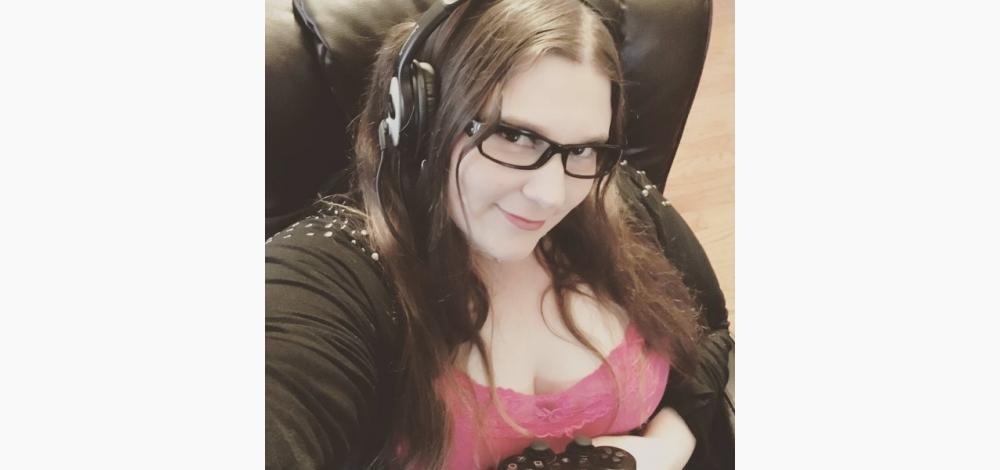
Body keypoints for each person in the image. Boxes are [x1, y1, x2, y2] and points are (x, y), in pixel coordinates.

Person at [265, 0, 734, 468]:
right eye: (514, 136)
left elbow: (711, 333)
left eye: (584, 149)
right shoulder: (336, 276)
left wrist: (665, 447)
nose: (551, 195)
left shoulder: (616, 200)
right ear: (419, 121)